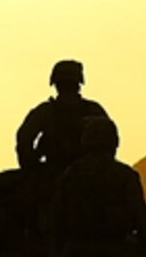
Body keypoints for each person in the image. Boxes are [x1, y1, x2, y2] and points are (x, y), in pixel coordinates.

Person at [50, 116, 146, 257]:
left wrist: (58, 256)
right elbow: (141, 216)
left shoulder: (71, 174)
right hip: (115, 249)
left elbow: (57, 219)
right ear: (114, 142)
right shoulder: (125, 175)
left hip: (79, 251)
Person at [15, 60, 107, 231]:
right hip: (75, 175)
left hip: (64, 175)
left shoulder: (46, 111)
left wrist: (30, 168)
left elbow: (23, 140)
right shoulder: (93, 110)